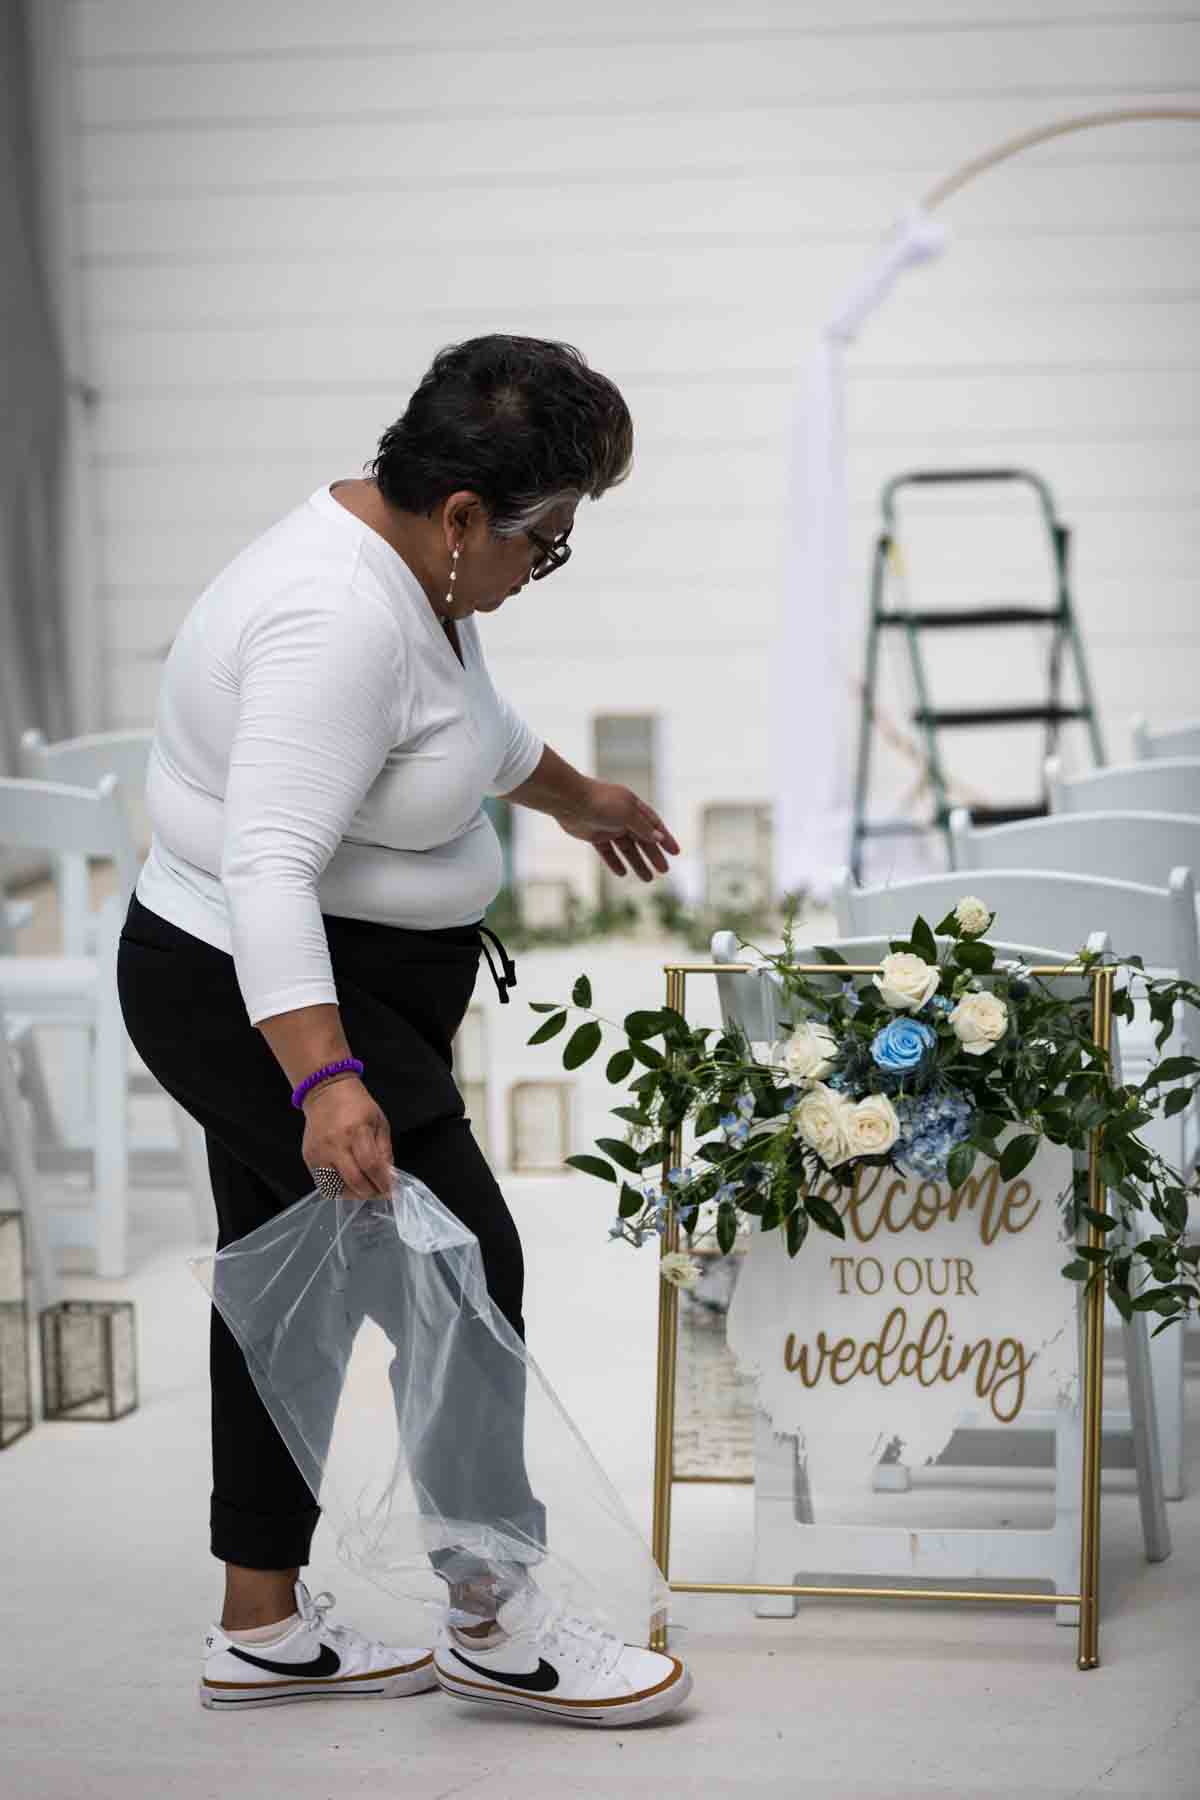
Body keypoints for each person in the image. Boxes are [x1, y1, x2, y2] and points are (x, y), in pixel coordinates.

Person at [116, 334, 694, 1726]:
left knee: (287, 1280)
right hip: (257, 986)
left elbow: (465, 728)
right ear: (457, 515)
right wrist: (325, 1078)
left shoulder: (411, 567)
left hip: (301, 978)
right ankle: (497, 1621)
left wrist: (579, 799)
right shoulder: (335, 617)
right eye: (545, 540)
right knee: (460, 1265)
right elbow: (264, 867)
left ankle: (261, 1626)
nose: (545, 563)